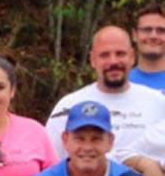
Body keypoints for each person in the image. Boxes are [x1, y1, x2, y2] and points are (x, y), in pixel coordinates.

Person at [45, 26, 165, 159]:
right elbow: (52, 161)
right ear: (92, 60)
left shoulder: (158, 103)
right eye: (104, 55)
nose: (113, 61)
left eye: (120, 54)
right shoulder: (69, 106)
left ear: (132, 56)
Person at [130, 2, 165, 92]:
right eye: (147, 30)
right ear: (134, 35)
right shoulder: (122, 83)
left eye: (161, 30)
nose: (153, 36)